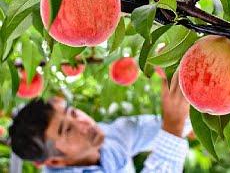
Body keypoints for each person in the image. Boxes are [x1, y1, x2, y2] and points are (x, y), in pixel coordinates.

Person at [9, 72, 191, 173]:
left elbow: (181, 122)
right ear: (55, 161)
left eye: (72, 112)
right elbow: (173, 123)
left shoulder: (112, 135)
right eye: (68, 130)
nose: (83, 123)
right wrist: (173, 125)